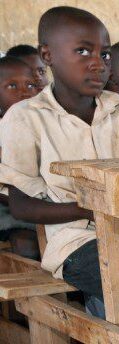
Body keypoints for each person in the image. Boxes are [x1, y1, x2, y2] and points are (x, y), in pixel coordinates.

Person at [1, 6, 119, 318]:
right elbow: (20, 205)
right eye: (83, 51)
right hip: (72, 244)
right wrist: (91, 207)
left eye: (106, 54)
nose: (98, 64)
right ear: (47, 55)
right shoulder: (26, 118)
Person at [0, 56, 39, 259]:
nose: (24, 92)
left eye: (30, 84)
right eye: (12, 86)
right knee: (26, 244)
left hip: (41, 204)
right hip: (9, 208)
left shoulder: (45, 125)